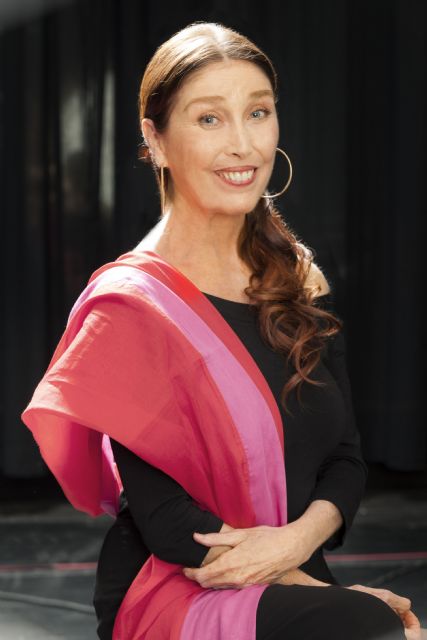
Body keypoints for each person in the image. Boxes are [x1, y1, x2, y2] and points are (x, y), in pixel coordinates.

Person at [21, 21, 422, 640]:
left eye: (257, 112)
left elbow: (345, 458)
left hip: (291, 572)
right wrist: (329, 594)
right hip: (174, 587)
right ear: (154, 140)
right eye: (209, 119)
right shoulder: (129, 306)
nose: (242, 144)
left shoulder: (297, 275)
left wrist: (298, 548)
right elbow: (168, 522)